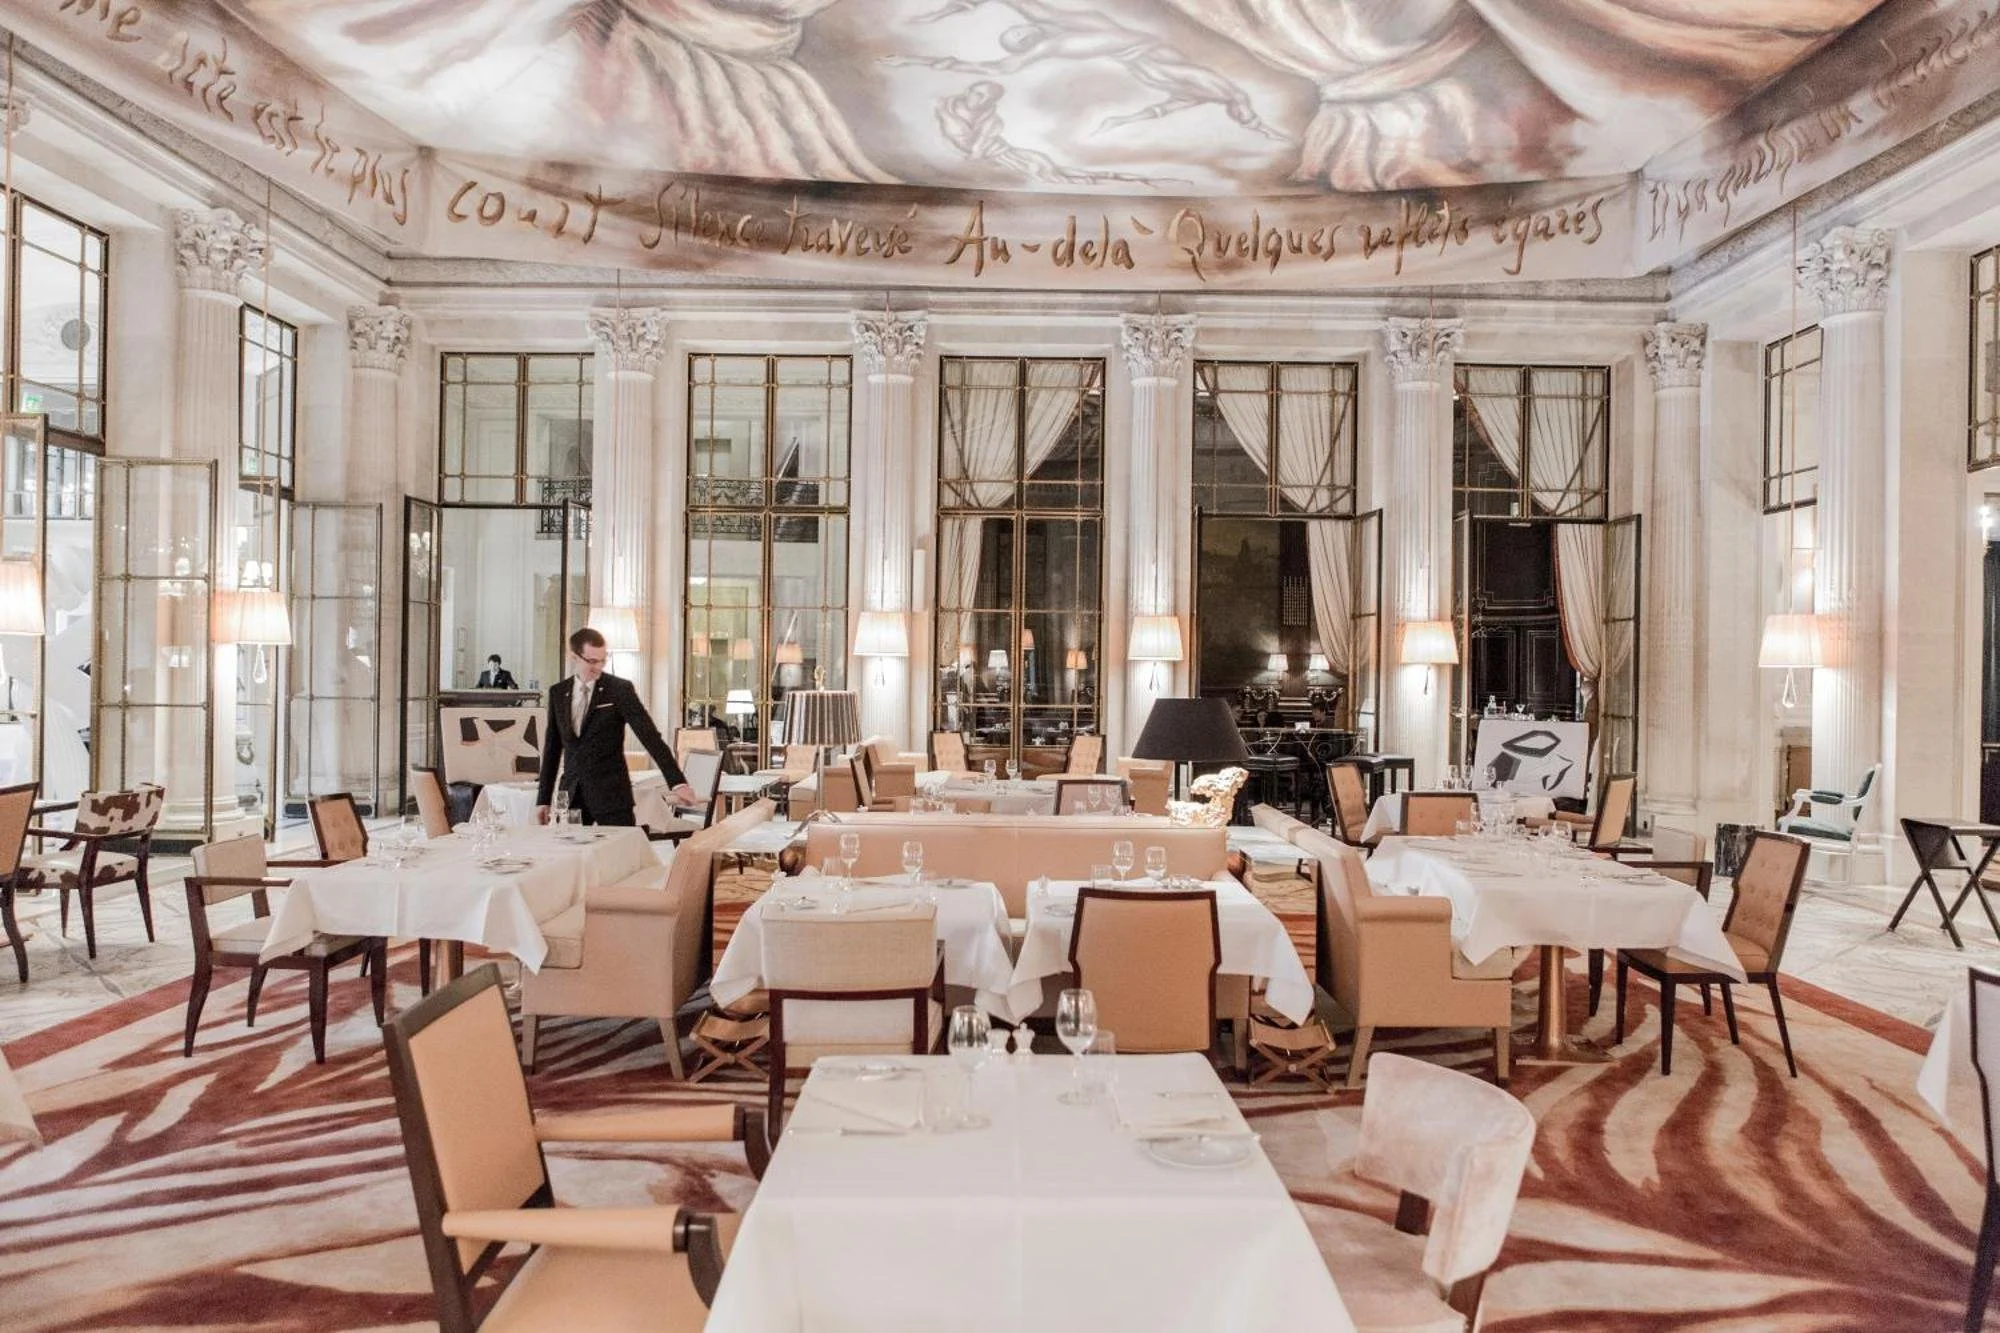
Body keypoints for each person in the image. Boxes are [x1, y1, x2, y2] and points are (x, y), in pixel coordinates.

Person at [536, 627, 696, 825]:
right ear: (574, 657)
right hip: (572, 796)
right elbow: (552, 749)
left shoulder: (619, 690)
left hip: (611, 796)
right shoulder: (558, 693)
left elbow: (650, 737)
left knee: (621, 854)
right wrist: (543, 799)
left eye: (603, 660)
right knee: (573, 853)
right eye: (592, 661)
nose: (599, 667)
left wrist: (677, 782)